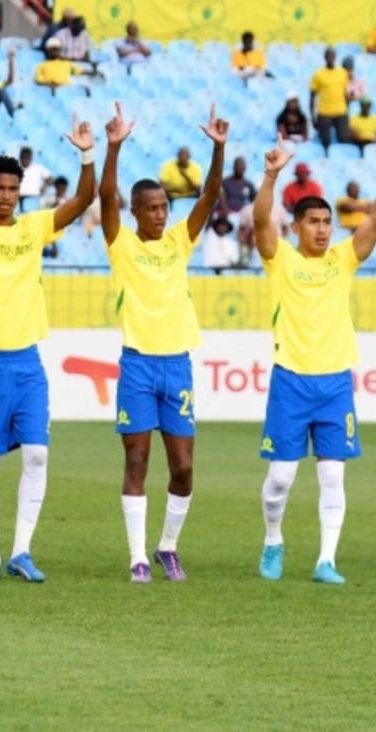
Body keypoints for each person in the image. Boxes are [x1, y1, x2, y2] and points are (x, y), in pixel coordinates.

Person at [0, 107, 98, 583]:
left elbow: (87, 196)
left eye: (13, 188)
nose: (6, 196)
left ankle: (21, 551)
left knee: (37, 454)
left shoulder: (35, 226)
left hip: (27, 360)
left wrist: (88, 152)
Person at [251, 133, 376, 585]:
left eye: (326, 221)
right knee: (280, 478)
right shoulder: (280, 260)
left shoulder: (342, 259)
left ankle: (326, 561)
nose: (322, 228)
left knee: (333, 477)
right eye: (313, 221)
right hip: (292, 380)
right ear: (295, 226)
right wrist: (273, 174)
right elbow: (261, 221)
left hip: (335, 382)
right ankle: (273, 539)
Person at [99, 106, 227, 582]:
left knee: (185, 467)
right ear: (135, 212)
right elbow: (106, 194)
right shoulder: (121, 244)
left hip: (178, 364)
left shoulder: (178, 242)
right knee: (136, 459)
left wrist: (218, 147)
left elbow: (211, 195)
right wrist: (113, 147)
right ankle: (136, 556)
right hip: (137, 364)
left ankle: (167, 546)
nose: (159, 214)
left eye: (163, 208)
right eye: (151, 208)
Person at [309, 47, 350, 147]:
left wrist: (347, 111)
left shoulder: (343, 73)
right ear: (325, 57)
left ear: (335, 57)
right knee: (325, 141)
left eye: (332, 55)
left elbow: (345, 94)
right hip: (324, 113)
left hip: (341, 112)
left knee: (344, 140)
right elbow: (312, 97)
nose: (330, 58)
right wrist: (313, 116)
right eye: (328, 55)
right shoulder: (318, 74)